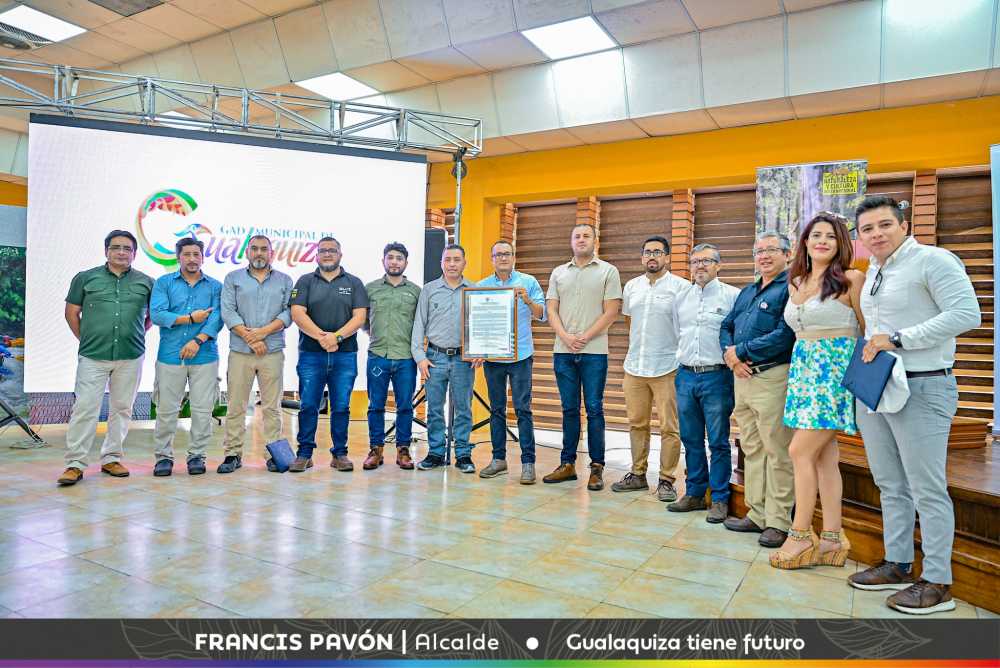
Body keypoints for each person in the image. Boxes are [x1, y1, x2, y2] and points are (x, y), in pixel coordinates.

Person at [848, 195, 980, 615]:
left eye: (884, 225)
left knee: (927, 488)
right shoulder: (875, 270)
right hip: (878, 385)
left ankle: (938, 582)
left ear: (904, 225)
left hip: (924, 385)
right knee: (889, 482)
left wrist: (899, 339)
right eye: (867, 229)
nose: (876, 234)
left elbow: (966, 314)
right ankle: (898, 563)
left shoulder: (933, 260)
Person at [768, 213, 865, 569]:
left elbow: (870, 333)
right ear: (805, 242)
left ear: (842, 244)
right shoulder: (796, 282)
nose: (822, 241)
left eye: (831, 236)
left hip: (834, 378)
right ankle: (833, 539)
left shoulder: (852, 279)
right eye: (816, 235)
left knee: (799, 451)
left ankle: (799, 536)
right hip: (802, 375)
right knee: (824, 458)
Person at [58, 230, 153, 486]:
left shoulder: (147, 282)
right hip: (93, 356)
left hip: (131, 356)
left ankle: (112, 458)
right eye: (116, 247)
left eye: (127, 248)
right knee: (85, 408)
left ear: (134, 254)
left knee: (122, 408)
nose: (121, 252)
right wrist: (86, 339)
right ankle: (75, 464)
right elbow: (71, 313)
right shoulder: (85, 278)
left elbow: (150, 318)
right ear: (106, 251)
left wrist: (133, 334)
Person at [719, 232, 797, 547]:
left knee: (777, 450)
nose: (763, 255)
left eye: (771, 250)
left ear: (788, 254)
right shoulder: (748, 291)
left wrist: (741, 352)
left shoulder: (791, 288)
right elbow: (726, 326)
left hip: (772, 376)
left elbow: (786, 334)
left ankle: (778, 521)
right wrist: (731, 356)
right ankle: (757, 513)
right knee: (751, 447)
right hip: (742, 378)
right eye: (759, 251)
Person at [543, 223, 622, 491]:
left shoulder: (608, 271)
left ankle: (596, 467)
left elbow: (611, 311)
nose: (581, 239)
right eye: (576, 236)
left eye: (586, 235)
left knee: (594, 408)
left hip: (594, 352)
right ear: (571, 241)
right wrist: (566, 337)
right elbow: (551, 310)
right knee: (568, 409)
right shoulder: (558, 273)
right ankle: (567, 464)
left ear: (595, 241)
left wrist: (585, 336)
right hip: (563, 351)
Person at [611, 235, 689, 501]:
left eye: (657, 252)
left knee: (670, 427)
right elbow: (629, 322)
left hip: (668, 367)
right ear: (642, 257)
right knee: (637, 424)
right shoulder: (632, 286)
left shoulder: (681, 287)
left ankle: (666, 480)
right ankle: (637, 474)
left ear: (667, 257)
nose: (652, 256)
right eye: (647, 252)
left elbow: (686, 325)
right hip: (635, 367)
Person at [667, 243, 740, 522]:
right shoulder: (681, 297)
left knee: (718, 441)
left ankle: (719, 499)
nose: (700, 266)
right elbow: (679, 332)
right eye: (695, 261)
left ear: (718, 265)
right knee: (691, 438)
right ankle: (695, 493)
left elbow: (737, 334)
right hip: (686, 375)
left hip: (717, 376)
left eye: (706, 261)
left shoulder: (732, 296)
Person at [289, 237, 368, 472]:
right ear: (316, 255)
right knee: (308, 405)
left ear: (340, 255)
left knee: (341, 406)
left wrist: (337, 338)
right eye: (323, 250)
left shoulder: (354, 283)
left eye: (332, 250)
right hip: (311, 355)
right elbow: (297, 313)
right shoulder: (305, 281)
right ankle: (304, 454)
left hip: (345, 356)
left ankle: (340, 454)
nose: (327, 254)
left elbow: (359, 317)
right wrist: (323, 338)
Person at [218, 234, 293, 474]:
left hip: (272, 352)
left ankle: (273, 455)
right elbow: (228, 311)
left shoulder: (285, 280)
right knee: (236, 405)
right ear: (247, 252)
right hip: (240, 352)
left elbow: (288, 313)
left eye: (263, 249)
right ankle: (232, 454)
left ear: (271, 253)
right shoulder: (233, 278)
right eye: (254, 249)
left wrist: (263, 333)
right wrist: (250, 337)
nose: (259, 253)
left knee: (272, 407)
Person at [148, 238, 223, 476]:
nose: (192, 259)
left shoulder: (215, 286)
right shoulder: (164, 283)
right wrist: (190, 318)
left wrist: (197, 340)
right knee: (166, 410)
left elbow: (217, 318)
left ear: (203, 257)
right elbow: (157, 315)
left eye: (196, 254)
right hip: (170, 356)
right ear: (178, 257)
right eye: (187, 254)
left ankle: (197, 456)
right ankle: (163, 457)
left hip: (205, 356)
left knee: (202, 410)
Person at [475, 240, 546, 484]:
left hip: (521, 356)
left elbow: (542, 315)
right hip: (493, 357)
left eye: (507, 254)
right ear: (492, 259)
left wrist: (527, 300)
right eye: (498, 255)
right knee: (496, 409)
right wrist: (477, 349)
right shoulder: (481, 287)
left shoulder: (528, 282)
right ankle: (498, 460)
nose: (503, 258)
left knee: (523, 409)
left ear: (514, 257)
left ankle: (528, 463)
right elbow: (477, 322)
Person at [411, 244, 476, 473]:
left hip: (463, 359)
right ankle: (436, 453)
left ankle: (463, 454)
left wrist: (480, 352)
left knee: (464, 408)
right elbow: (419, 324)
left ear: (464, 262)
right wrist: (420, 357)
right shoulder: (429, 290)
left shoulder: (474, 290)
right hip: (434, 357)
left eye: (457, 259)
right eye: (447, 259)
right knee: (434, 409)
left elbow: (481, 326)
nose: (452, 264)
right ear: (441, 263)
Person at [363, 242, 421, 471]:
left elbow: (420, 323)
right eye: (390, 257)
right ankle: (375, 449)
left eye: (399, 258)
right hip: (378, 355)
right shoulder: (370, 289)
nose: (394, 262)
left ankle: (403, 450)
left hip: (406, 357)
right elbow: (363, 320)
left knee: (405, 405)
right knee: (375, 405)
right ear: (383, 261)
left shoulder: (415, 291)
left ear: (406, 262)